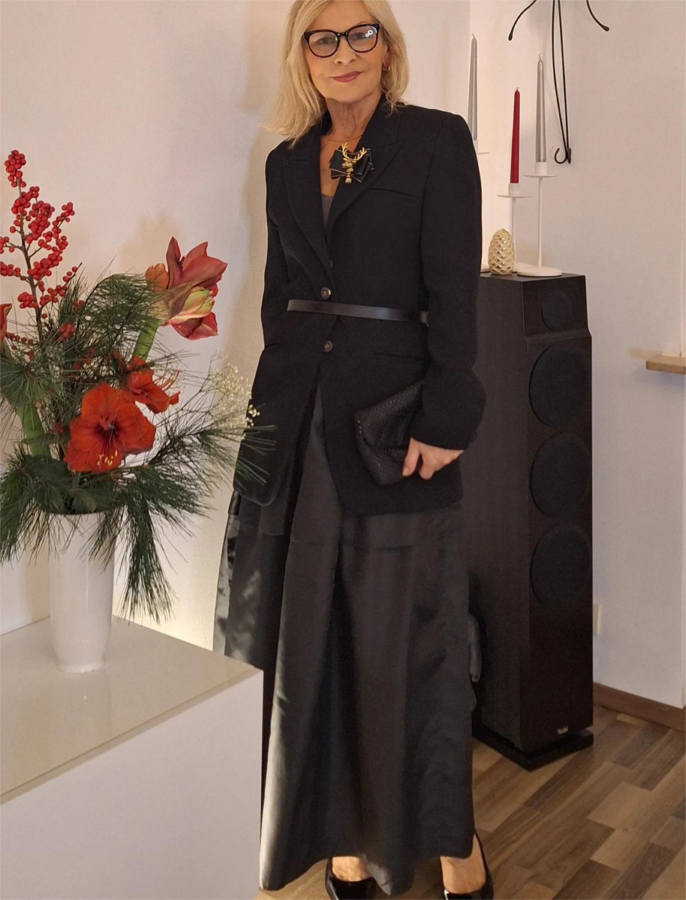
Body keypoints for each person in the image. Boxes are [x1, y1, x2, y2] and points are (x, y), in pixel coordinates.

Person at [215, 1, 493, 897]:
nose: (344, 53)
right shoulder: (286, 161)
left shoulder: (436, 142)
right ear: (304, 55)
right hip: (294, 427)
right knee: (310, 642)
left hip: (395, 428)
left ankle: (456, 851)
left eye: (361, 33)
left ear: (387, 45)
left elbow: (456, 292)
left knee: (412, 648)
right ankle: (341, 850)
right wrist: (270, 413)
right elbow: (280, 298)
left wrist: (447, 416)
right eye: (323, 39)